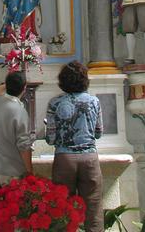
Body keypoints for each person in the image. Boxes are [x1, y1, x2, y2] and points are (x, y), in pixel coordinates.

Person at [45, 61, 103, 232]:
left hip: (64, 159)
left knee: (61, 208)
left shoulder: (54, 103)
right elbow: (99, 132)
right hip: (89, 157)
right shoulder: (94, 101)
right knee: (93, 207)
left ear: (63, 80)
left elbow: (50, 138)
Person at [0, 72, 33, 205]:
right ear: (24, 88)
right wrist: (29, 172)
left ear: (6, 85)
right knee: (14, 216)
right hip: (12, 174)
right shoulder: (19, 111)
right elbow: (24, 146)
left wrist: (7, 83)